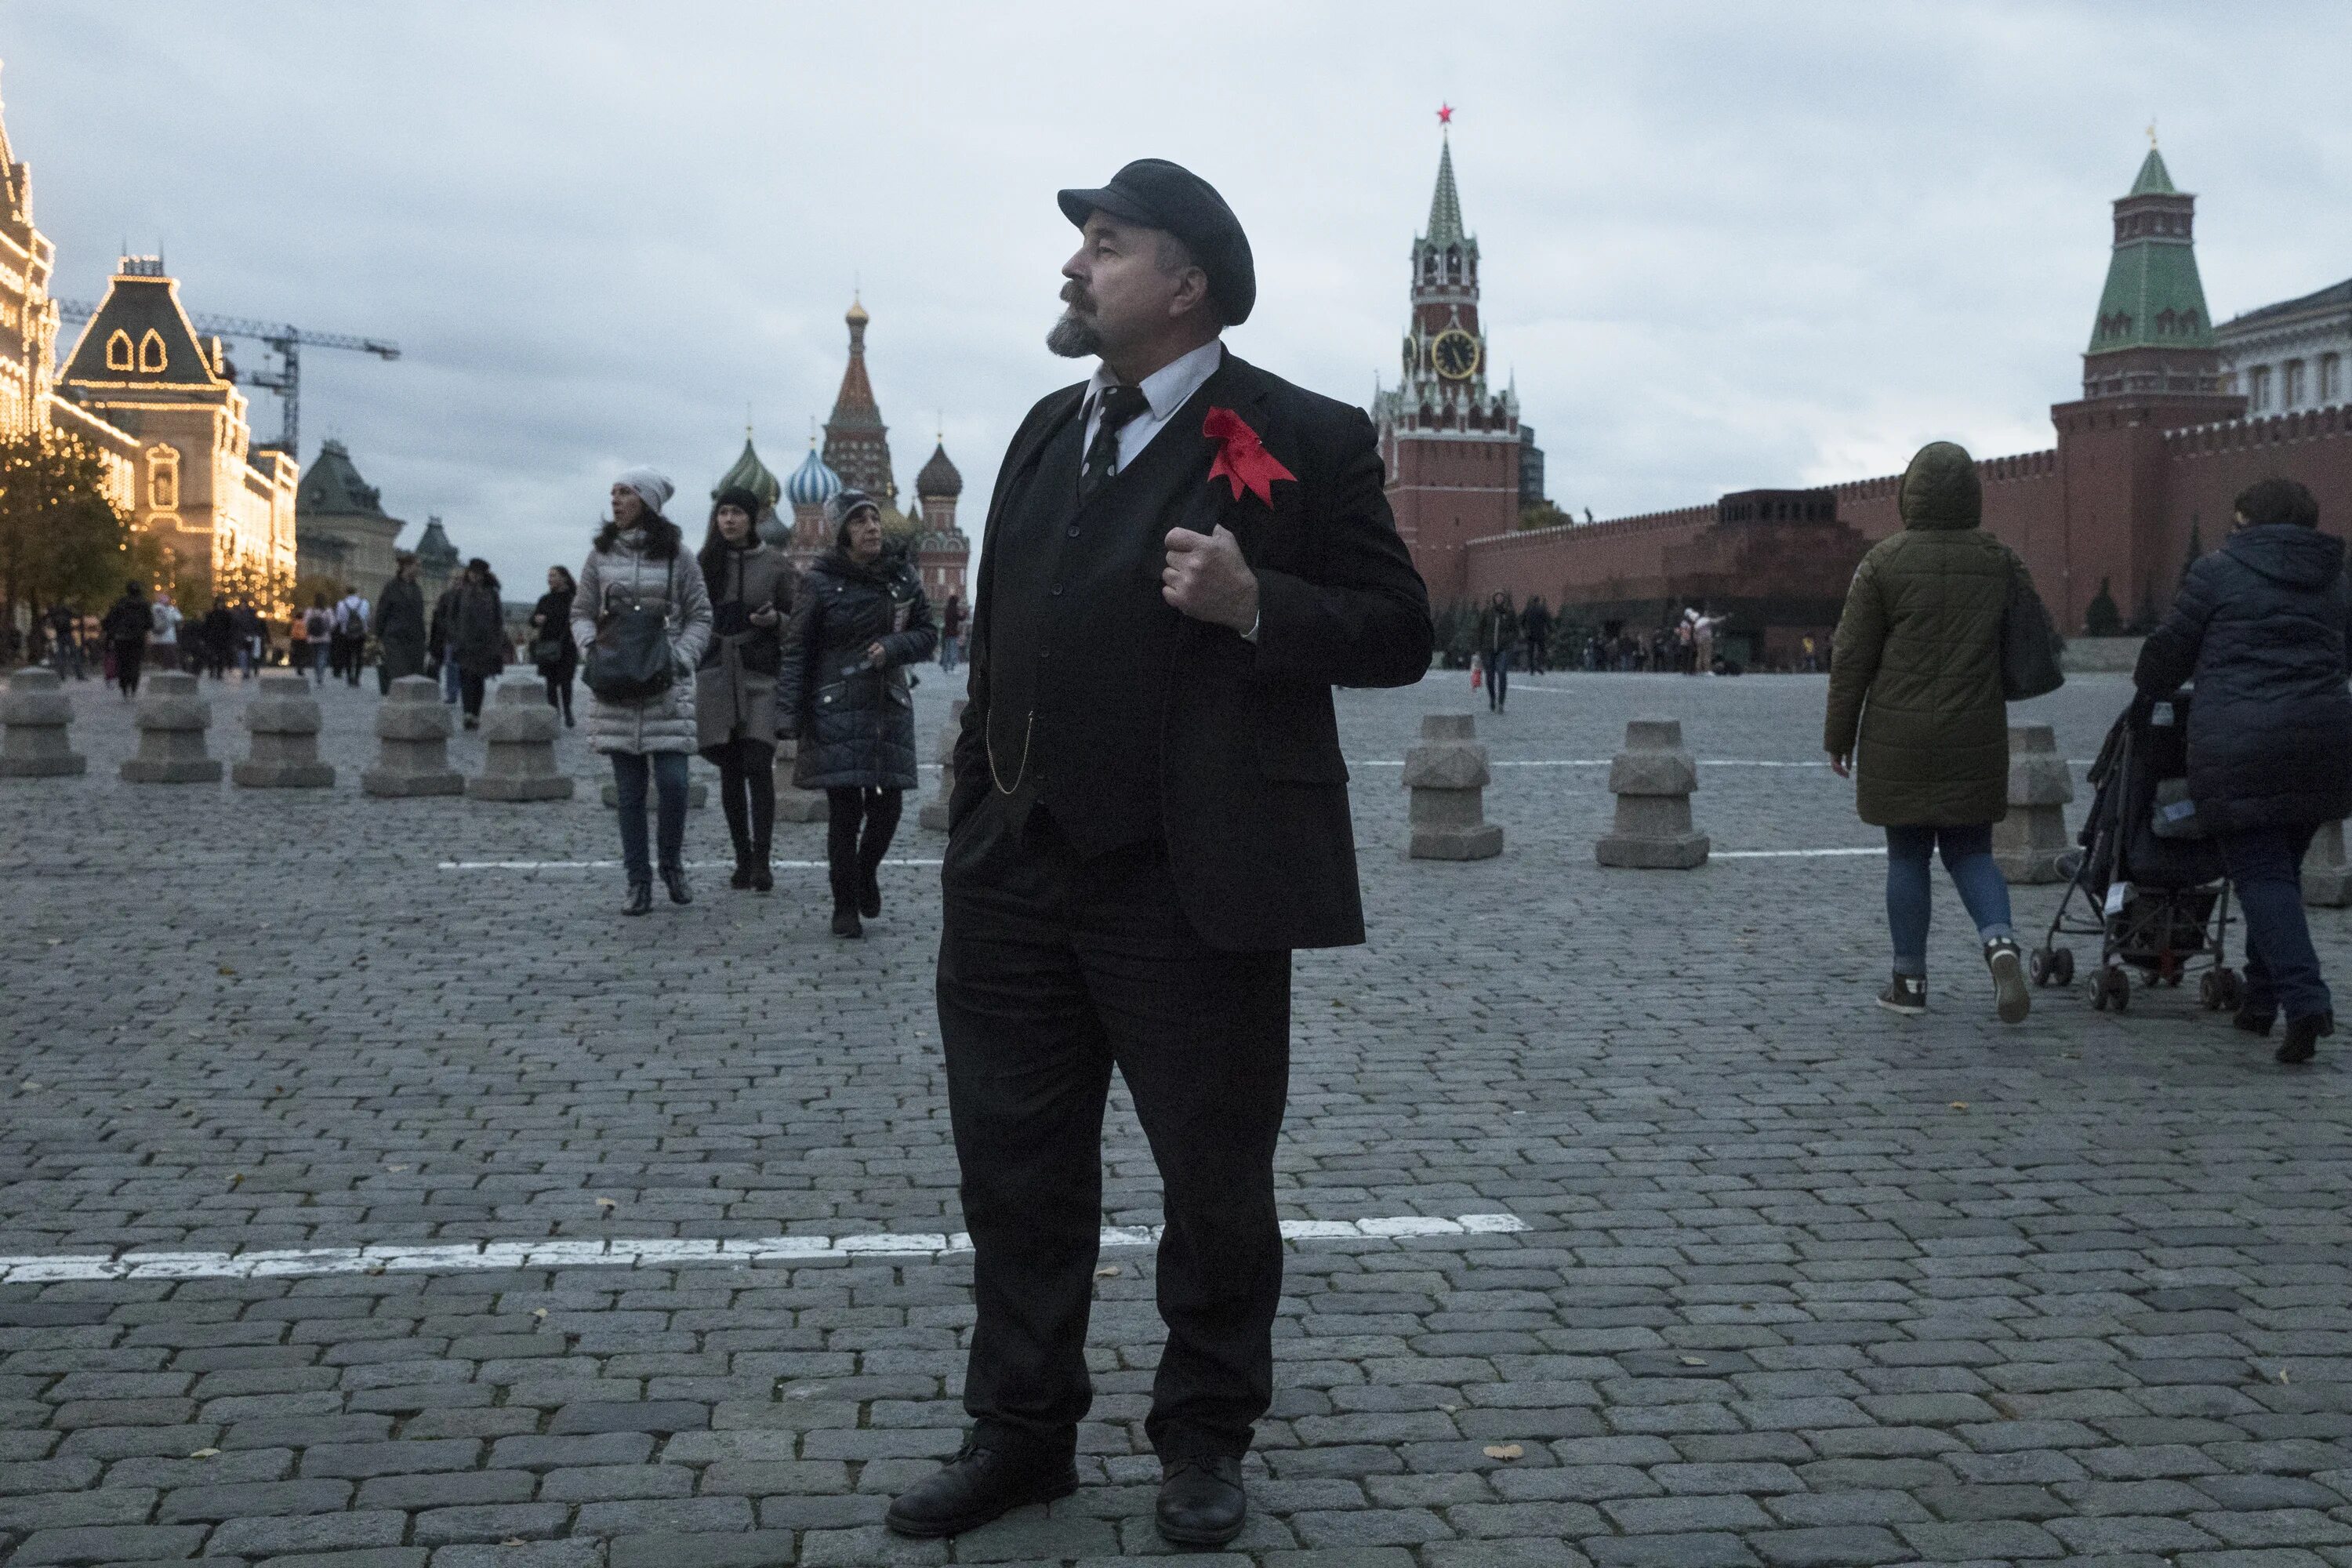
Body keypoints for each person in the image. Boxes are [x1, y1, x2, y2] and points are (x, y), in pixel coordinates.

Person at [886, 158, 1431, 1549]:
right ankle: (1020, 1432)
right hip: (1016, 879)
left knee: (1214, 1181)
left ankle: (1203, 1434)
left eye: (1107, 246)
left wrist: (1260, 605)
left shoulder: (1303, 434)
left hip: (1197, 882)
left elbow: (1396, 628)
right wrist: (976, 813)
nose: (1075, 267)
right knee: (1014, 1172)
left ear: (1184, 285)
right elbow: (1004, 637)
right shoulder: (1035, 433)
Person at [2135, 477, 2351, 1064]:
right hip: (2324, 743)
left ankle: (2306, 1000)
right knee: (2278, 873)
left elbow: (2172, 647)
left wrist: (2149, 685)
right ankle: (2260, 1002)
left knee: (2261, 875)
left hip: (2240, 744)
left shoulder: (2216, 571)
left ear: (2248, 522)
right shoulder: (2336, 577)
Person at [1824, 441, 2034, 1024]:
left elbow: (1851, 658)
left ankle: (1909, 983)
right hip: (1975, 727)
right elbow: (2029, 640)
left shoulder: (1884, 562)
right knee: (1971, 852)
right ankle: (2000, 943)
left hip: (1899, 733)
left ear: (1908, 494)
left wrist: (1838, 736)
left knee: (1907, 855)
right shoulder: (1999, 560)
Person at [777, 489, 934, 935]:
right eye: (859, 520)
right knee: (845, 812)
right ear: (842, 531)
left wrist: (895, 646)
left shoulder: (902, 578)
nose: (871, 527)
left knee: (889, 808)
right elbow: (797, 649)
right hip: (837, 707)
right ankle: (844, 906)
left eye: (874, 519)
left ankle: (866, 872)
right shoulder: (820, 582)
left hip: (887, 706)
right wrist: (788, 714)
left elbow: (926, 633)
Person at [573, 470, 713, 915]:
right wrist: (591, 647)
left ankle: (671, 863)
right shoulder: (599, 557)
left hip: (664, 687)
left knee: (674, 785)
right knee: (629, 794)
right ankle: (638, 881)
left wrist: (681, 657)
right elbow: (580, 611)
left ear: (648, 502)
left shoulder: (679, 557)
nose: (615, 500)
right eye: (612, 492)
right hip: (615, 687)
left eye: (625, 493)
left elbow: (701, 616)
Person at [696, 486, 797, 892]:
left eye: (737, 513)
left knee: (758, 762)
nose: (730, 520)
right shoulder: (704, 564)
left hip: (760, 673)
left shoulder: (775, 564)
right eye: (723, 513)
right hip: (717, 674)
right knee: (731, 769)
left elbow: (798, 619)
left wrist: (776, 622)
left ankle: (762, 859)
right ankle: (741, 859)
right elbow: (688, 612)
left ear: (752, 518)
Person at [447, 558, 506, 728]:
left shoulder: (492, 593)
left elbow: (498, 619)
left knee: (479, 679)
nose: (475, 577)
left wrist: (496, 641)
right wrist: (455, 636)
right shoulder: (460, 592)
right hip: (464, 642)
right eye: (472, 573)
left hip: (484, 644)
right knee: (465, 677)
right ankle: (467, 713)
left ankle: (476, 713)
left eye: (478, 574)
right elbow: (451, 617)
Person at [530, 565, 579, 727]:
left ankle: (568, 711)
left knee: (566, 682)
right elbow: (533, 619)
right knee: (550, 683)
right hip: (548, 645)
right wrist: (537, 620)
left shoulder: (573, 599)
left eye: (553, 575)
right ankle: (554, 713)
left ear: (564, 578)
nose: (549, 579)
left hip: (567, 645)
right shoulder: (545, 599)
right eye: (549, 576)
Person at [376, 554, 429, 685]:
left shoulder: (417, 589)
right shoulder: (391, 587)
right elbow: (382, 612)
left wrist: (423, 638)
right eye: (417, 565)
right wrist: (379, 637)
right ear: (406, 566)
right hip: (395, 638)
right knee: (400, 675)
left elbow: (419, 615)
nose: (419, 569)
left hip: (414, 641)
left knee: (415, 677)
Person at [101, 581, 149, 698]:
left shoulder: (121, 603)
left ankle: (124, 686)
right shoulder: (144, 604)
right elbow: (150, 623)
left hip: (121, 638)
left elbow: (110, 620)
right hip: (138, 638)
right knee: (135, 662)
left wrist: (111, 635)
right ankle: (133, 685)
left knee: (122, 661)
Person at [1475, 590, 1516, 712]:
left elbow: (1515, 629)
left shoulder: (1508, 613)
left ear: (1504, 599)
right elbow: (1480, 630)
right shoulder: (1487, 613)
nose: (1499, 599)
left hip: (1504, 648)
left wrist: (1509, 641)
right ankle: (1492, 698)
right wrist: (1478, 647)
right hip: (1488, 649)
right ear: (1494, 599)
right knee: (1490, 676)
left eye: (1501, 597)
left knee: (1502, 673)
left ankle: (1501, 701)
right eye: (1497, 597)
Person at [430, 573, 467, 705]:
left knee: (465, 666)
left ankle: (463, 691)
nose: (458, 582)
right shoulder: (446, 597)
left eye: (461, 579)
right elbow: (439, 617)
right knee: (451, 665)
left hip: (466, 638)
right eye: (455, 579)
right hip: (450, 637)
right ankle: (452, 693)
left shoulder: (470, 597)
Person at [336, 585, 371, 687]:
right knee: (359, 656)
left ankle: (349, 678)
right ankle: (357, 678)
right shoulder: (364, 603)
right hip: (360, 633)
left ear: (346, 593)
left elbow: (339, 619)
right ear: (356, 592)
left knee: (348, 656)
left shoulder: (341, 604)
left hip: (346, 633)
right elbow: (367, 618)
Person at [301, 594, 333, 686]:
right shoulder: (328, 611)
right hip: (325, 637)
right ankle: (320, 675)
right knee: (322, 656)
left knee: (315, 658)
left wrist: (309, 632)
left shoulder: (310, 611)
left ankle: (317, 674)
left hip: (312, 638)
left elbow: (305, 623)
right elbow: (333, 623)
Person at [150, 590, 183, 674]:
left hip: (155, 639)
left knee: (156, 662)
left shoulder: (153, 608)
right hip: (169, 640)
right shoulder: (171, 609)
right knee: (169, 663)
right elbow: (179, 619)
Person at [1520, 594, 1552, 674]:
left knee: (1530, 651)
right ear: (1538, 601)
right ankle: (1539, 665)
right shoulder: (1542, 610)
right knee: (1542, 650)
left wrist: (1524, 630)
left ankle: (1531, 668)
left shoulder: (1528, 610)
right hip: (1540, 633)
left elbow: (1522, 622)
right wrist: (1549, 630)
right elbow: (1547, 621)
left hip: (1530, 634)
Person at [938, 591, 965, 673]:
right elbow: (960, 618)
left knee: (947, 650)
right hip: (953, 633)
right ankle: (952, 666)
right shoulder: (955, 610)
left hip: (946, 633)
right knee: (953, 650)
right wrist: (964, 614)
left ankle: (945, 666)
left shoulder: (947, 610)